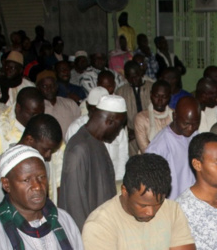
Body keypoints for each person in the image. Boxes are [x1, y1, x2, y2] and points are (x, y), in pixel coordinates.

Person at [59, 94, 128, 227]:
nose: (119, 132)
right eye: (119, 126)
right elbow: (74, 207)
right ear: (110, 121)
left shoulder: (96, 141)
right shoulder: (79, 149)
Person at [146, 95, 201, 199]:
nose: (191, 128)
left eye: (195, 124)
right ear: (174, 116)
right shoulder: (158, 146)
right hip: (173, 205)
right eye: (186, 123)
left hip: (194, 200)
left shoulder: (194, 135)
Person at [117, 60, 153, 154]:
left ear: (140, 73)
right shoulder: (121, 92)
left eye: (136, 76)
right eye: (130, 77)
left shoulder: (152, 87)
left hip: (151, 133)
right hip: (131, 137)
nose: (134, 80)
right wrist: (126, 130)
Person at [134, 80, 172, 152]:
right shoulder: (141, 118)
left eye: (164, 97)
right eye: (157, 96)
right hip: (148, 160)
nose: (160, 100)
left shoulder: (175, 116)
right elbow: (145, 148)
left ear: (169, 97)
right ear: (151, 95)